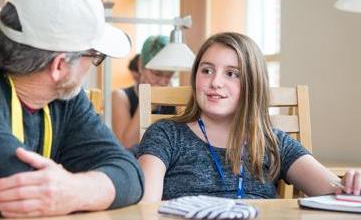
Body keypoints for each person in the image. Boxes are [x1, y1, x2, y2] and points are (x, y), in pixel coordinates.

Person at [138, 32, 361, 202]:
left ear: (252, 84)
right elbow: (146, 208)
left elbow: (338, 192)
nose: (215, 82)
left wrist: (353, 184)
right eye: (206, 70)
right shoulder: (165, 135)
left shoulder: (273, 142)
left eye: (232, 74)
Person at [0, 0, 143, 218]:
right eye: (95, 55)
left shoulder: (67, 99)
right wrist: (90, 187)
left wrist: (74, 191)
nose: (92, 65)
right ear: (59, 65)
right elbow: (23, 182)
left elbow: (130, 175)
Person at [112, 36, 175, 148]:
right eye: (157, 74)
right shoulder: (120, 96)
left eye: (169, 76)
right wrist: (147, 102)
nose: (163, 81)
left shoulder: (176, 99)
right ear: (141, 66)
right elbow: (125, 146)